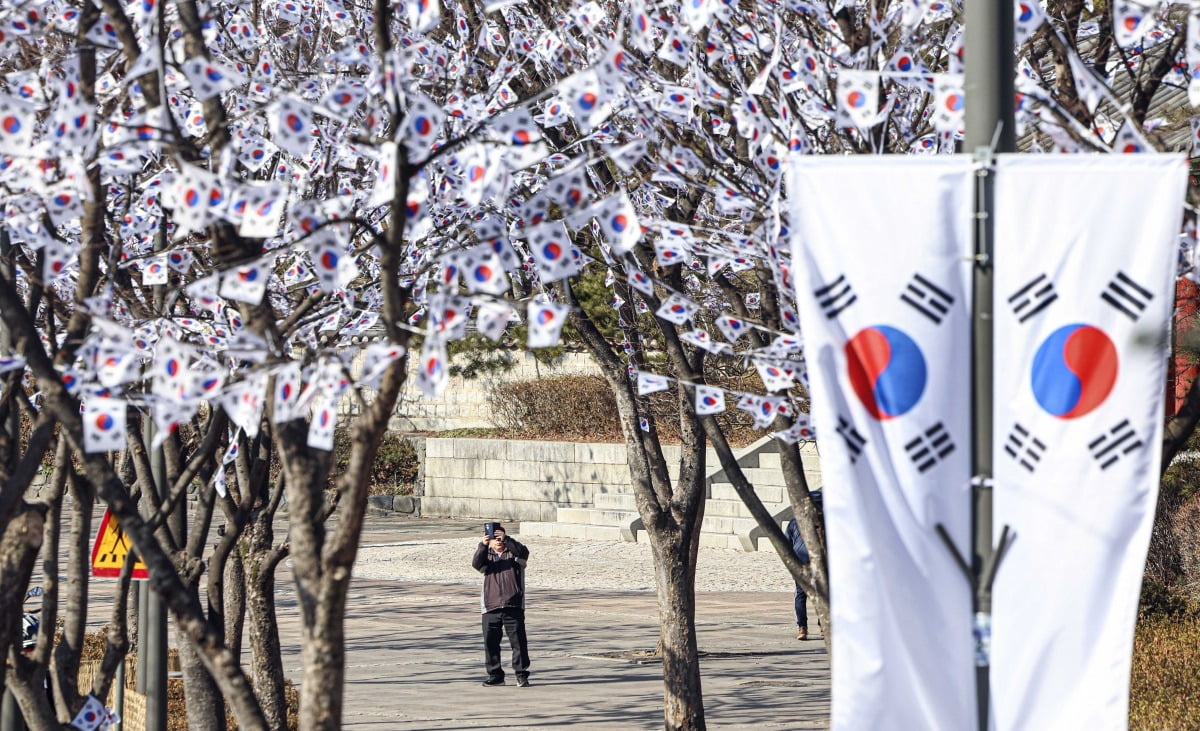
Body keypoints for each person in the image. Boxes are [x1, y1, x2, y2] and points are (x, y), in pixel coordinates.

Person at [472, 522, 531, 687]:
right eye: (493, 538)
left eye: (500, 537)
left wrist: (508, 540)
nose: (497, 541)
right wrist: (482, 546)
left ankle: (521, 674)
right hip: (491, 606)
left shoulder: (514, 555)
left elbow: (523, 552)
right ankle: (495, 675)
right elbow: (476, 564)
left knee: (519, 642)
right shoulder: (486, 556)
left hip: (513, 605)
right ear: (488, 540)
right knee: (490, 643)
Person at [785, 516, 810, 641]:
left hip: (800, 560)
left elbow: (787, 543)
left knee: (800, 594)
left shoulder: (794, 521)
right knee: (823, 593)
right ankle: (821, 624)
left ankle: (802, 628)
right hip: (819, 560)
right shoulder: (826, 519)